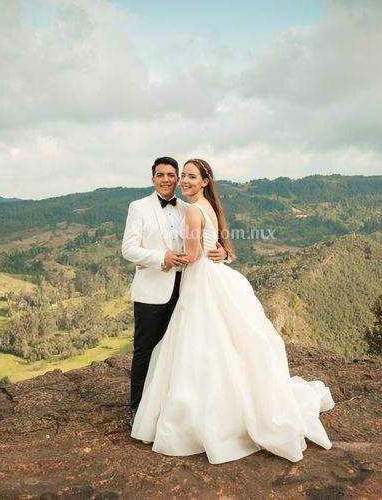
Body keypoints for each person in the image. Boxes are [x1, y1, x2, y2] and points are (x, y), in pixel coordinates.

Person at [130, 158, 335, 464]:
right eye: (180, 176)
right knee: (215, 345)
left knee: (201, 347)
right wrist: (211, 252)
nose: (182, 180)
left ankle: (205, 413)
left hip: (200, 283)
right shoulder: (202, 207)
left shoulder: (193, 210)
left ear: (204, 182)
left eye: (188, 176)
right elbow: (208, 242)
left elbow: (195, 253)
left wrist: (206, 254)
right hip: (202, 281)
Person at [121, 156, 230, 428]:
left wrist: (224, 252)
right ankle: (137, 409)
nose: (169, 179)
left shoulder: (189, 206)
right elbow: (128, 249)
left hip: (186, 290)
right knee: (145, 351)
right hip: (151, 292)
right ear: (153, 178)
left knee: (179, 352)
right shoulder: (138, 207)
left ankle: (168, 408)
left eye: (173, 174)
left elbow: (209, 242)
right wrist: (161, 258)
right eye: (162, 175)